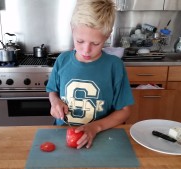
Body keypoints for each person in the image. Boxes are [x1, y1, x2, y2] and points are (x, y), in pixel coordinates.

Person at [46, 0, 134, 149]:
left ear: (107, 36)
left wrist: (96, 127)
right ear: (72, 29)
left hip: (102, 138)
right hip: (62, 135)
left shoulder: (114, 66)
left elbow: (125, 111)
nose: (86, 50)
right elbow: (52, 91)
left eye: (95, 43)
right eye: (80, 41)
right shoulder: (62, 60)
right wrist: (55, 102)